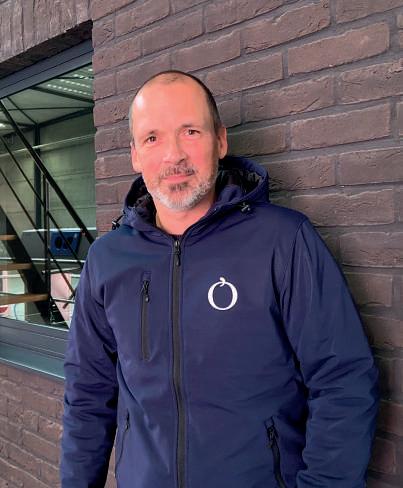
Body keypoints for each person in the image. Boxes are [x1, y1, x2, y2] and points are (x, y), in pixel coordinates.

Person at [60, 70, 379, 488]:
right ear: (135, 155)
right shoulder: (107, 259)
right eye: (153, 138)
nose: (173, 155)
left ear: (221, 141)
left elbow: (343, 380)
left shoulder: (283, 240)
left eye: (190, 132)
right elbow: (87, 393)